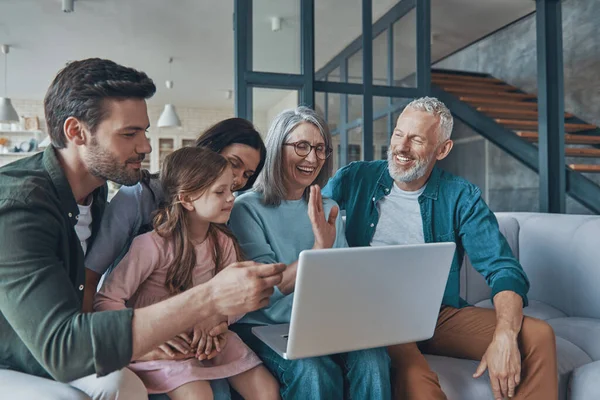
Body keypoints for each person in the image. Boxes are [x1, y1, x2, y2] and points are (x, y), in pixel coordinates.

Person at [0, 58, 284, 400]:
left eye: (145, 131)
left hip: (73, 343)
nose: (147, 146)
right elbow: (64, 347)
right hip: (19, 355)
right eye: (129, 133)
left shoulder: (97, 189)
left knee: (125, 385)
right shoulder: (20, 206)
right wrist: (208, 298)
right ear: (76, 132)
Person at [322, 96, 558, 400]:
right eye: (398, 134)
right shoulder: (355, 178)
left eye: (416, 139)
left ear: (442, 149)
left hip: (435, 314)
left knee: (537, 336)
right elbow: (304, 217)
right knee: (417, 381)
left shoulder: (460, 196)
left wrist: (505, 335)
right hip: (376, 315)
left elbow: (503, 268)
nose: (401, 147)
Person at [229, 106, 392, 400]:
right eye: (301, 146)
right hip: (264, 325)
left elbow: (340, 280)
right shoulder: (246, 208)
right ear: (278, 148)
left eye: (320, 149)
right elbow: (268, 289)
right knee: (312, 369)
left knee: (374, 358)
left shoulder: (327, 207)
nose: (312, 158)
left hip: (320, 323)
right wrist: (319, 248)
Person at [95, 147, 279, 400]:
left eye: (231, 190)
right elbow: (106, 301)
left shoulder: (223, 243)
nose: (231, 198)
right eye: (220, 191)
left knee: (266, 390)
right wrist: (145, 337)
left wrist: (218, 318)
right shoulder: (150, 245)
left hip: (211, 340)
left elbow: (239, 301)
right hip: (166, 346)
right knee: (198, 395)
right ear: (187, 199)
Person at [82, 118, 266, 312]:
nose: (238, 179)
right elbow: (91, 277)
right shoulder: (139, 197)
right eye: (233, 163)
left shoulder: (219, 215)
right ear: (207, 150)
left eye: (247, 175)